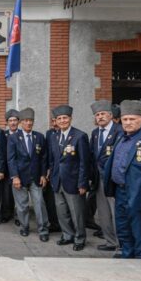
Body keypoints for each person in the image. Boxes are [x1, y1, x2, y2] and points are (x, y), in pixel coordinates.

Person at [103, 100, 141, 259]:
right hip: (120, 191)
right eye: (125, 119)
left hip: (140, 193)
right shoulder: (121, 138)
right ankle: (126, 252)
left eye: (132, 119)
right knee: (123, 225)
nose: (128, 123)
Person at [46, 105, 91, 250]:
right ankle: (67, 235)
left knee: (76, 213)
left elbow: (85, 162)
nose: (62, 121)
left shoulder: (80, 136)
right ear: (56, 121)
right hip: (57, 181)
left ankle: (79, 238)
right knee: (62, 212)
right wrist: (52, 177)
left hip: (74, 182)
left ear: (70, 119)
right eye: (59, 118)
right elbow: (53, 160)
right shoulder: (54, 136)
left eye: (65, 118)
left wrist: (83, 183)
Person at [6, 108, 50, 241]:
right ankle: (24, 227)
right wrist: (15, 177)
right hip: (19, 177)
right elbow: (11, 159)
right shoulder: (13, 138)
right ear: (20, 123)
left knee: (39, 204)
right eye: (26, 121)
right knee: (22, 205)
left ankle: (43, 230)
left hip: (36, 177)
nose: (29, 123)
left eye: (31, 121)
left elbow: (44, 158)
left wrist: (43, 174)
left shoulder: (39, 137)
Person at [89, 100, 123, 253]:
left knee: (116, 212)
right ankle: (110, 242)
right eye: (97, 115)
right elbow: (92, 156)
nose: (100, 117)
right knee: (103, 212)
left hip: (113, 179)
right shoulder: (95, 133)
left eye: (103, 114)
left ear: (110, 115)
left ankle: (121, 243)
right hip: (98, 179)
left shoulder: (119, 131)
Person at [1, 109, 21, 224]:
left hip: (19, 169)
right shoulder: (3, 135)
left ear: (18, 122)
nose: (13, 123)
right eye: (10, 120)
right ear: (7, 123)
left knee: (18, 194)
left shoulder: (22, 134)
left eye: (15, 120)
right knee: (6, 194)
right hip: (6, 170)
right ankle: (7, 214)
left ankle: (18, 216)